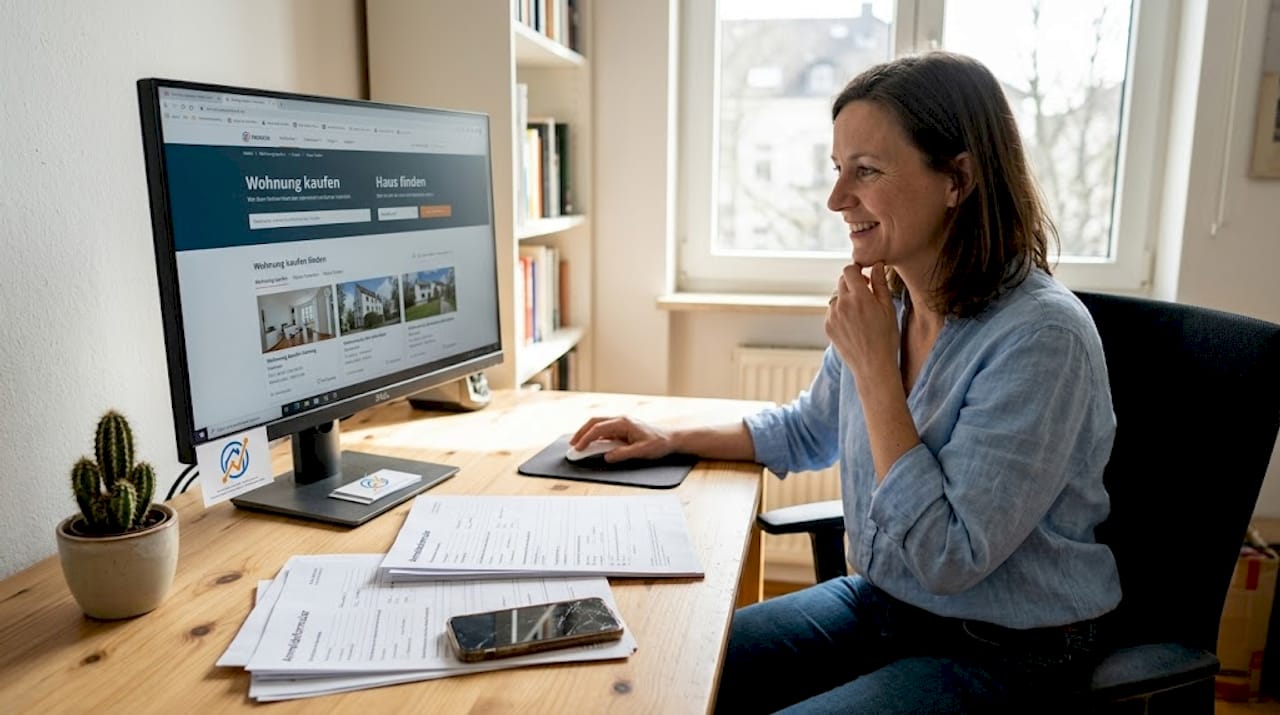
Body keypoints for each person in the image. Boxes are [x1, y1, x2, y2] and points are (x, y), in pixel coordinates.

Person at [570, 51, 1119, 713]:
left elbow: (951, 556)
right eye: (838, 170)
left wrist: (876, 373)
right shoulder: (889, 303)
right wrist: (669, 435)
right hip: (888, 605)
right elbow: (806, 430)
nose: (836, 200)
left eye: (866, 171)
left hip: (1007, 647)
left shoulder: (1041, 337)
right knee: (660, 672)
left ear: (958, 178)